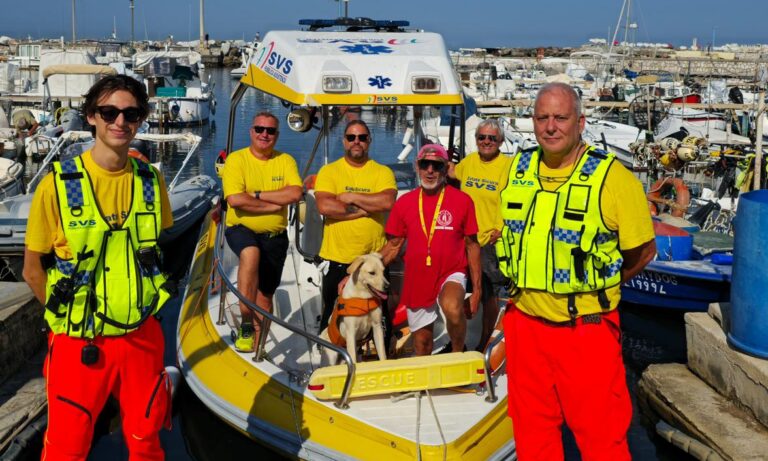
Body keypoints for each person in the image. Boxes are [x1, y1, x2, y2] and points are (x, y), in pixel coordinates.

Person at [496, 82, 656, 460]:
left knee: (602, 440)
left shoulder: (613, 179)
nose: (550, 127)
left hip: (585, 330)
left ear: (580, 122)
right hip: (525, 325)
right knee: (532, 436)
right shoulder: (515, 170)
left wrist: (600, 287)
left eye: (560, 118)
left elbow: (643, 252)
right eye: (542, 118)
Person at [22, 75, 175, 460]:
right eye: (109, 112)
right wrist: (66, 317)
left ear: (140, 120)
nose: (120, 121)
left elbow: (154, 248)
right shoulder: (57, 185)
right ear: (91, 116)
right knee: (67, 447)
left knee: (146, 439)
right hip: (80, 342)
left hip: (141, 335)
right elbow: (32, 271)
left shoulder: (152, 180)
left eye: (131, 114)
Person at [381, 144, 482, 356]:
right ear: (417, 167)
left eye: (436, 166)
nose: (430, 170)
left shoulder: (463, 201)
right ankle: (427, 372)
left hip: (451, 270)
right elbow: (393, 246)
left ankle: (457, 353)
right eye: (425, 164)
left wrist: (477, 291)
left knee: (452, 307)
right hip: (418, 276)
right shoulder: (404, 202)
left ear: (445, 169)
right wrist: (357, 273)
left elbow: (472, 246)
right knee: (423, 344)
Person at [221, 112, 302, 352]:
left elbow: (295, 193)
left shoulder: (285, 161)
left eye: (270, 131)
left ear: (277, 135)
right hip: (241, 228)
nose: (264, 134)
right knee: (250, 253)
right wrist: (272, 205)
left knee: (265, 297)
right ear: (251, 132)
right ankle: (246, 322)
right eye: (259, 129)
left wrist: (255, 195)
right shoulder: (237, 160)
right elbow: (235, 200)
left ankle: (259, 346)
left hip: (275, 237)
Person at [315, 120, 396, 341]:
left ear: (369, 141)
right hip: (337, 258)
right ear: (344, 141)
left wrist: (350, 197)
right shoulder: (329, 171)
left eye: (362, 137)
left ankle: (381, 353)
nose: (356, 141)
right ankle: (329, 354)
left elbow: (387, 201)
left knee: (379, 317)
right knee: (333, 316)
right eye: (351, 137)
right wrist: (364, 210)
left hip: (374, 260)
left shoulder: (382, 172)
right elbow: (325, 206)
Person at [449, 118, 513, 350]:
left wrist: (502, 228)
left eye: (492, 138)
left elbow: (515, 199)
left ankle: (485, 341)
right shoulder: (469, 161)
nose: (486, 141)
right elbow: (453, 172)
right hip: (464, 238)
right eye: (481, 137)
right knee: (457, 287)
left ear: (501, 141)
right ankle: (456, 341)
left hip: (489, 240)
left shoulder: (508, 165)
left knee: (488, 294)